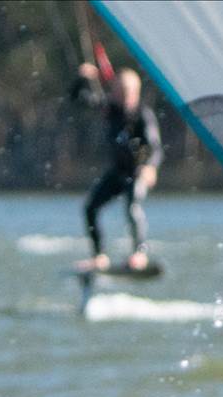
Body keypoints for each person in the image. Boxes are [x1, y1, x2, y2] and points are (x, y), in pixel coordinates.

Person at [74, 63, 163, 272]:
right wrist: (83, 78)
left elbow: (156, 149)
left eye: (128, 92)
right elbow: (78, 98)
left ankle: (139, 254)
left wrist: (150, 167)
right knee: (90, 208)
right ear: (114, 92)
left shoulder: (143, 115)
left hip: (138, 172)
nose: (124, 96)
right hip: (118, 173)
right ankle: (99, 257)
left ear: (136, 92)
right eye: (120, 92)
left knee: (132, 207)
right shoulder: (110, 109)